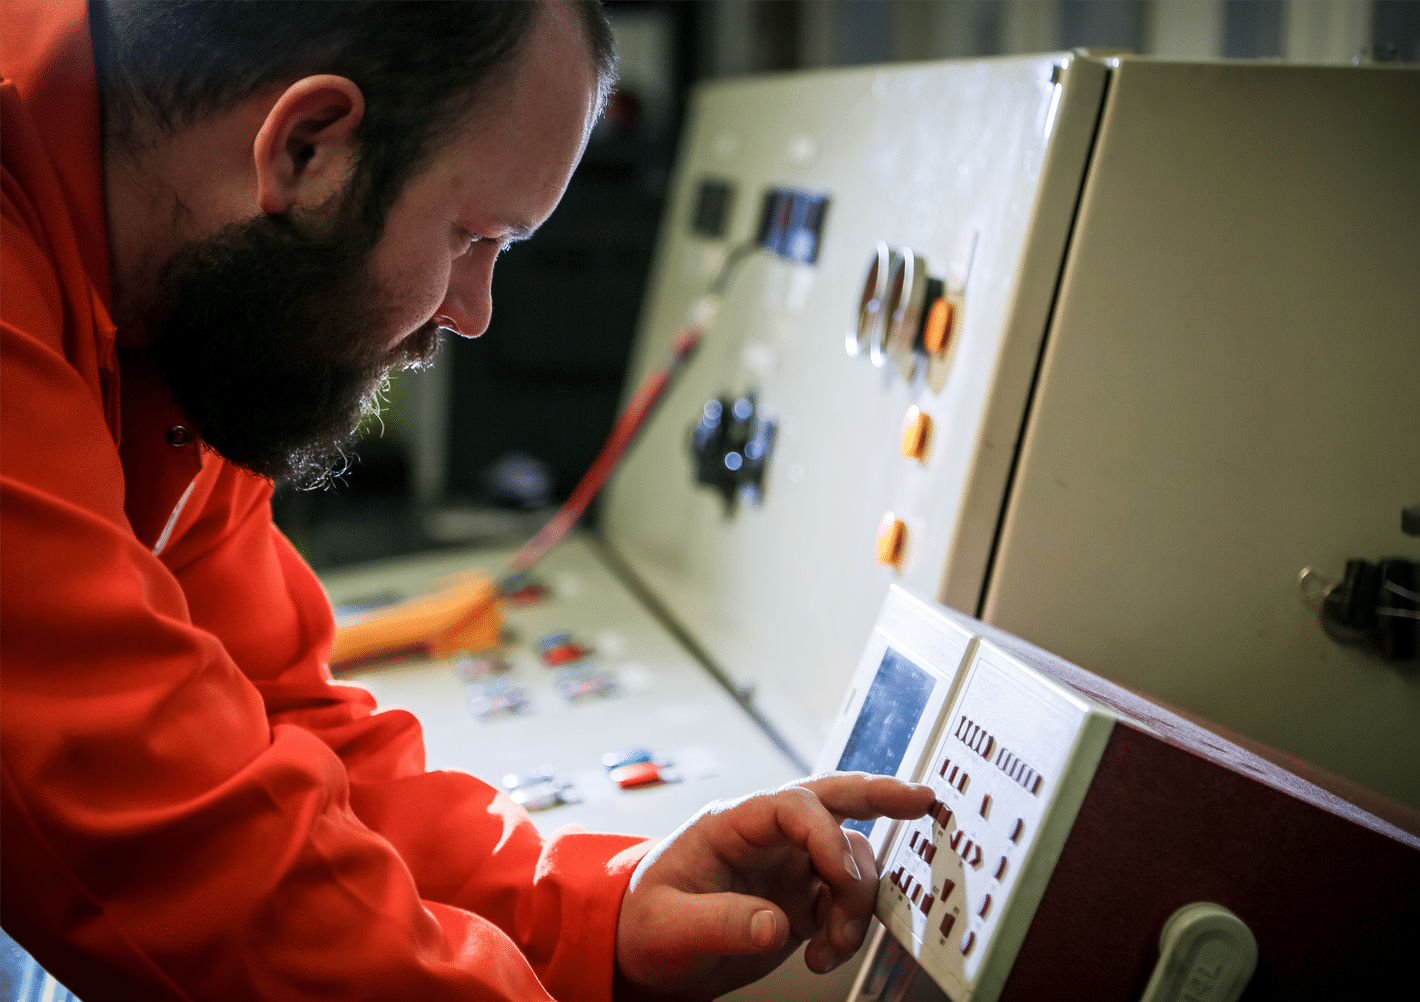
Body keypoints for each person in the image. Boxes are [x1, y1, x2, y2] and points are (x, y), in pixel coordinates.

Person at [0, 2, 934, 999]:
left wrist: (595, 911)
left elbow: (267, 714)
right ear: (306, 146)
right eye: (474, 235)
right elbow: (168, 831)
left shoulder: (178, 301)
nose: (474, 313)